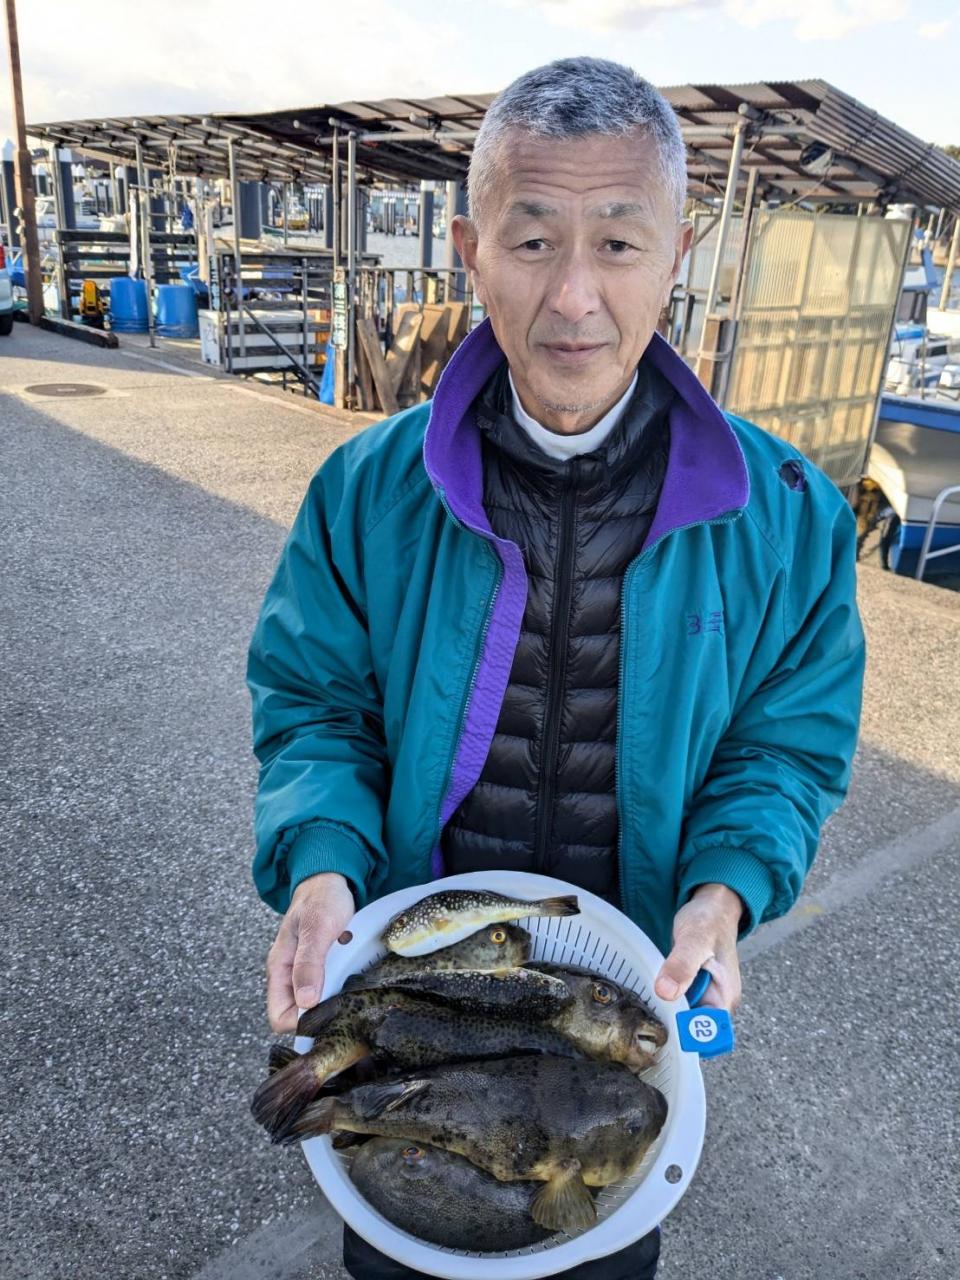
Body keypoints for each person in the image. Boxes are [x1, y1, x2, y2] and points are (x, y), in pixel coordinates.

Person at [246, 57, 865, 1280]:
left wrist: (724, 892)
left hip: (619, 1009)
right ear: (471, 251)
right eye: (533, 241)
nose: (575, 295)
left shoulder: (790, 514)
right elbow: (316, 706)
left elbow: (785, 744)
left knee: (591, 1236)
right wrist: (321, 866)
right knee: (401, 1248)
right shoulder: (364, 490)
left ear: (678, 252)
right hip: (422, 983)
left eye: (619, 243)